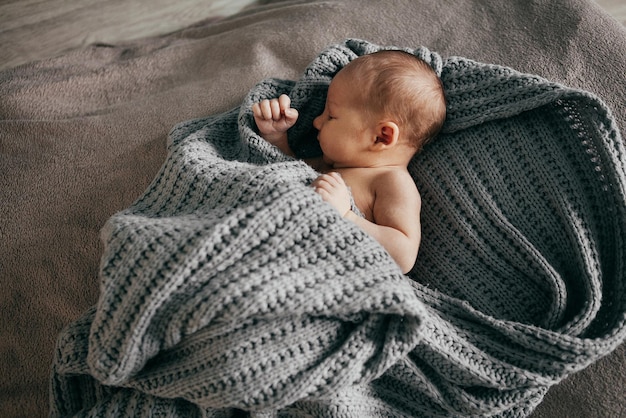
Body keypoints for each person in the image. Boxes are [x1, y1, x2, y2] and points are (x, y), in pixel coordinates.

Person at [252, 50, 446, 273]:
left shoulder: (392, 182)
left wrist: (347, 216)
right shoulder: (331, 166)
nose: (316, 121)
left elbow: (404, 256)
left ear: (381, 136)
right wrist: (275, 136)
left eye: (331, 115)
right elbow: (287, 170)